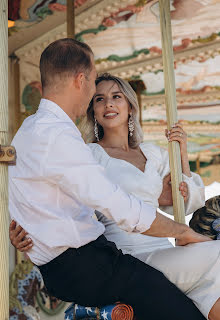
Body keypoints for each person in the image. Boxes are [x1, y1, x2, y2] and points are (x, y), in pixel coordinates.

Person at [9, 38, 211, 320]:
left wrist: (28, 234)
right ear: (81, 80)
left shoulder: (30, 129)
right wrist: (181, 231)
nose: (98, 96)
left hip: (85, 259)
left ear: (130, 105)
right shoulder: (68, 142)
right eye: (95, 87)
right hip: (92, 261)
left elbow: (29, 195)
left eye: (116, 96)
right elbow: (117, 205)